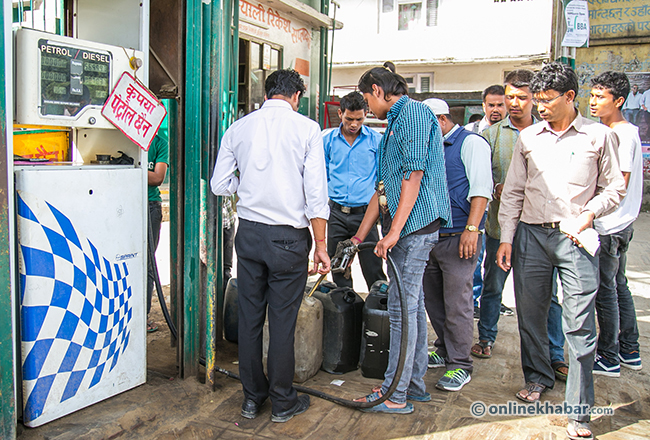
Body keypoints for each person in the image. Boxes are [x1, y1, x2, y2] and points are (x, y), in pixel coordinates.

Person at [496, 63, 626, 440]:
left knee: (579, 324)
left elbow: (614, 188)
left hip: (576, 238)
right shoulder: (529, 138)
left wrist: (588, 214)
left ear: (571, 97)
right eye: (537, 101)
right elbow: (515, 192)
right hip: (531, 237)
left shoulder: (599, 137)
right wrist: (507, 237)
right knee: (531, 314)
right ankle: (537, 377)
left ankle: (579, 410)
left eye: (548, 101)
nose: (540, 108)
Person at [210, 69, 330, 423]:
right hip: (288, 240)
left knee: (249, 319)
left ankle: (251, 399)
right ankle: (282, 402)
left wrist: (246, 188)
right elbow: (316, 195)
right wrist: (320, 244)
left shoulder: (239, 128)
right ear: (295, 96)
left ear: (268, 94)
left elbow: (219, 184)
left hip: (249, 235)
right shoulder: (307, 129)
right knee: (281, 322)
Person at [352, 66, 451, 414]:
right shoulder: (397, 121)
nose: (366, 109)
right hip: (408, 228)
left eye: (366, 100)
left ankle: (394, 395)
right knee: (411, 305)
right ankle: (414, 384)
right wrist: (359, 236)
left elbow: (414, 173)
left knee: (401, 310)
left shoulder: (411, 113)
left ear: (377, 90)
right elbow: (383, 190)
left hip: (413, 229)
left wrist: (394, 231)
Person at [472, 70, 567, 383]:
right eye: (509, 96)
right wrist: (496, 187)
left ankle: (555, 355)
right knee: (493, 286)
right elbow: (481, 179)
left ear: (534, 99)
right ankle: (486, 337)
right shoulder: (491, 136)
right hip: (500, 229)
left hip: (542, 231)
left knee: (549, 296)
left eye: (521, 97)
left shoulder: (549, 134)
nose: (514, 103)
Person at [422, 98, 492, 392]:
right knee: (433, 300)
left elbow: (481, 190)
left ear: (441, 120)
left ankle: (460, 363)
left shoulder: (471, 143)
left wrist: (472, 230)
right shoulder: (430, 146)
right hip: (430, 236)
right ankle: (445, 347)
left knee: (458, 303)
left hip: (459, 236)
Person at [589, 71, 644, 376]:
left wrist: (590, 211)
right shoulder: (626, 132)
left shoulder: (620, 135)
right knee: (619, 286)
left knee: (605, 290)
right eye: (592, 96)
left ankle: (608, 355)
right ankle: (630, 349)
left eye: (601, 97)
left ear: (619, 101)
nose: (593, 103)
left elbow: (618, 184)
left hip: (609, 226)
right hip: (621, 224)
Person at [323, 91, 386, 289]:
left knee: (373, 268)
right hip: (337, 214)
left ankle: (376, 313)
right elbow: (322, 174)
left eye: (359, 119)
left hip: (365, 214)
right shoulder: (328, 140)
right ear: (340, 113)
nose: (354, 124)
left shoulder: (376, 141)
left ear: (366, 114)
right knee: (339, 269)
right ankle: (345, 314)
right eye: (349, 118)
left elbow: (381, 179)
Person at [466, 85, 507, 318]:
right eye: (491, 105)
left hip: (501, 212)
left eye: (500, 105)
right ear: (483, 106)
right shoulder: (470, 132)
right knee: (473, 259)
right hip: (476, 209)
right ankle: (472, 303)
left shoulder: (512, 135)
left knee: (495, 263)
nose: (495, 109)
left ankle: (491, 303)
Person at [146, 133, 169, 333]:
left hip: (150, 205)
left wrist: (128, 169)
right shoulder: (125, 135)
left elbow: (157, 178)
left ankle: (142, 316)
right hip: (126, 201)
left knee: (148, 263)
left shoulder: (160, 142)